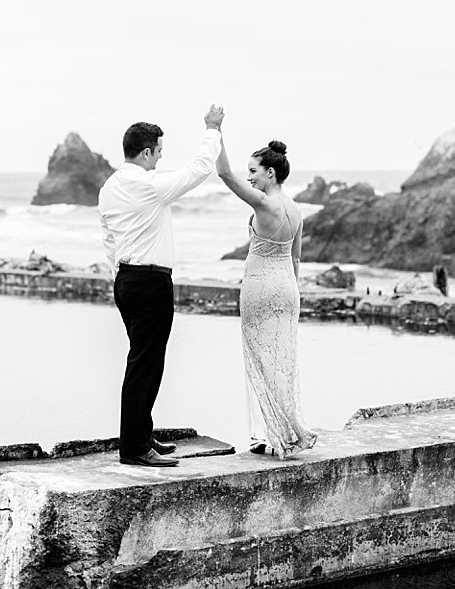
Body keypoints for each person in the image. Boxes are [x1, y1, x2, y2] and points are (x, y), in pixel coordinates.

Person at [99, 105, 224, 467]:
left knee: (142, 359)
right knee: (146, 364)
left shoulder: (110, 188)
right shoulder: (149, 186)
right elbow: (198, 170)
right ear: (147, 152)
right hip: (149, 282)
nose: (159, 160)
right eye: (158, 153)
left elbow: (108, 239)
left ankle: (142, 435)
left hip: (126, 280)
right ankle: (135, 448)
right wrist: (211, 130)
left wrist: (120, 275)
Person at [215, 131, 317, 458]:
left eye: (254, 171)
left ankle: (265, 436)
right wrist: (294, 292)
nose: (249, 177)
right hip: (287, 287)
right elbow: (297, 257)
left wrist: (215, 131)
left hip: (260, 286)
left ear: (270, 173)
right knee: (281, 361)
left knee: (257, 359)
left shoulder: (264, 202)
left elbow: (224, 174)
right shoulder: (297, 210)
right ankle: (282, 431)